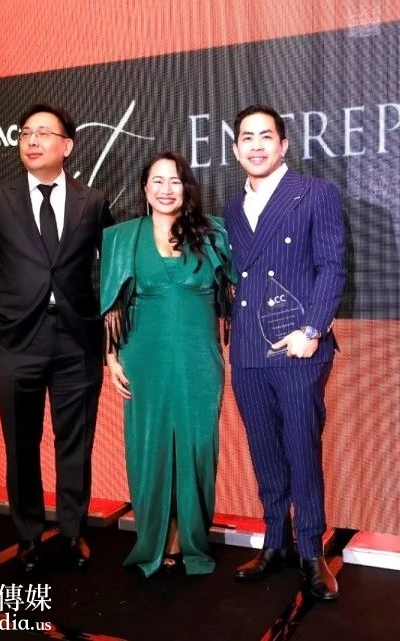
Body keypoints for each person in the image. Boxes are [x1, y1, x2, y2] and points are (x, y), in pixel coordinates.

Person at [0, 102, 114, 574]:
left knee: (76, 443)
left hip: (76, 341)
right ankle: (28, 535)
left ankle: (71, 533)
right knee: (21, 442)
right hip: (16, 341)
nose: (32, 140)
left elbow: (112, 266)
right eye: (26, 132)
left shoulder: (93, 201)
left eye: (44, 132)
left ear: (67, 146)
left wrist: (105, 322)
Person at [223, 105, 346, 601]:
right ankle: (275, 541)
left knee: (300, 447)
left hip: (298, 346)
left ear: (284, 144)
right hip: (248, 349)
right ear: (235, 149)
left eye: (265, 136)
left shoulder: (315, 193)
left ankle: (311, 551)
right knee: (264, 449)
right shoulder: (232, 208)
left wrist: (312, 328)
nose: (256, 145)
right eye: (247, 138)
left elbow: (332, 266)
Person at [100, 151, 236, 577]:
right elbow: (113, 306)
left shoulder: (213, 233)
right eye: (157, 181)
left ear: (187, 188)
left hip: (199, 358)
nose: (165, 189)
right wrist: (111, 358)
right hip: (144, 356)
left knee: (197, 448)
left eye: (175, 181)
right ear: (144, 189)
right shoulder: (122, 237)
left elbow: (236, 291)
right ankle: (154, 540)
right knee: (149, 447)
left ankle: (191, 539)